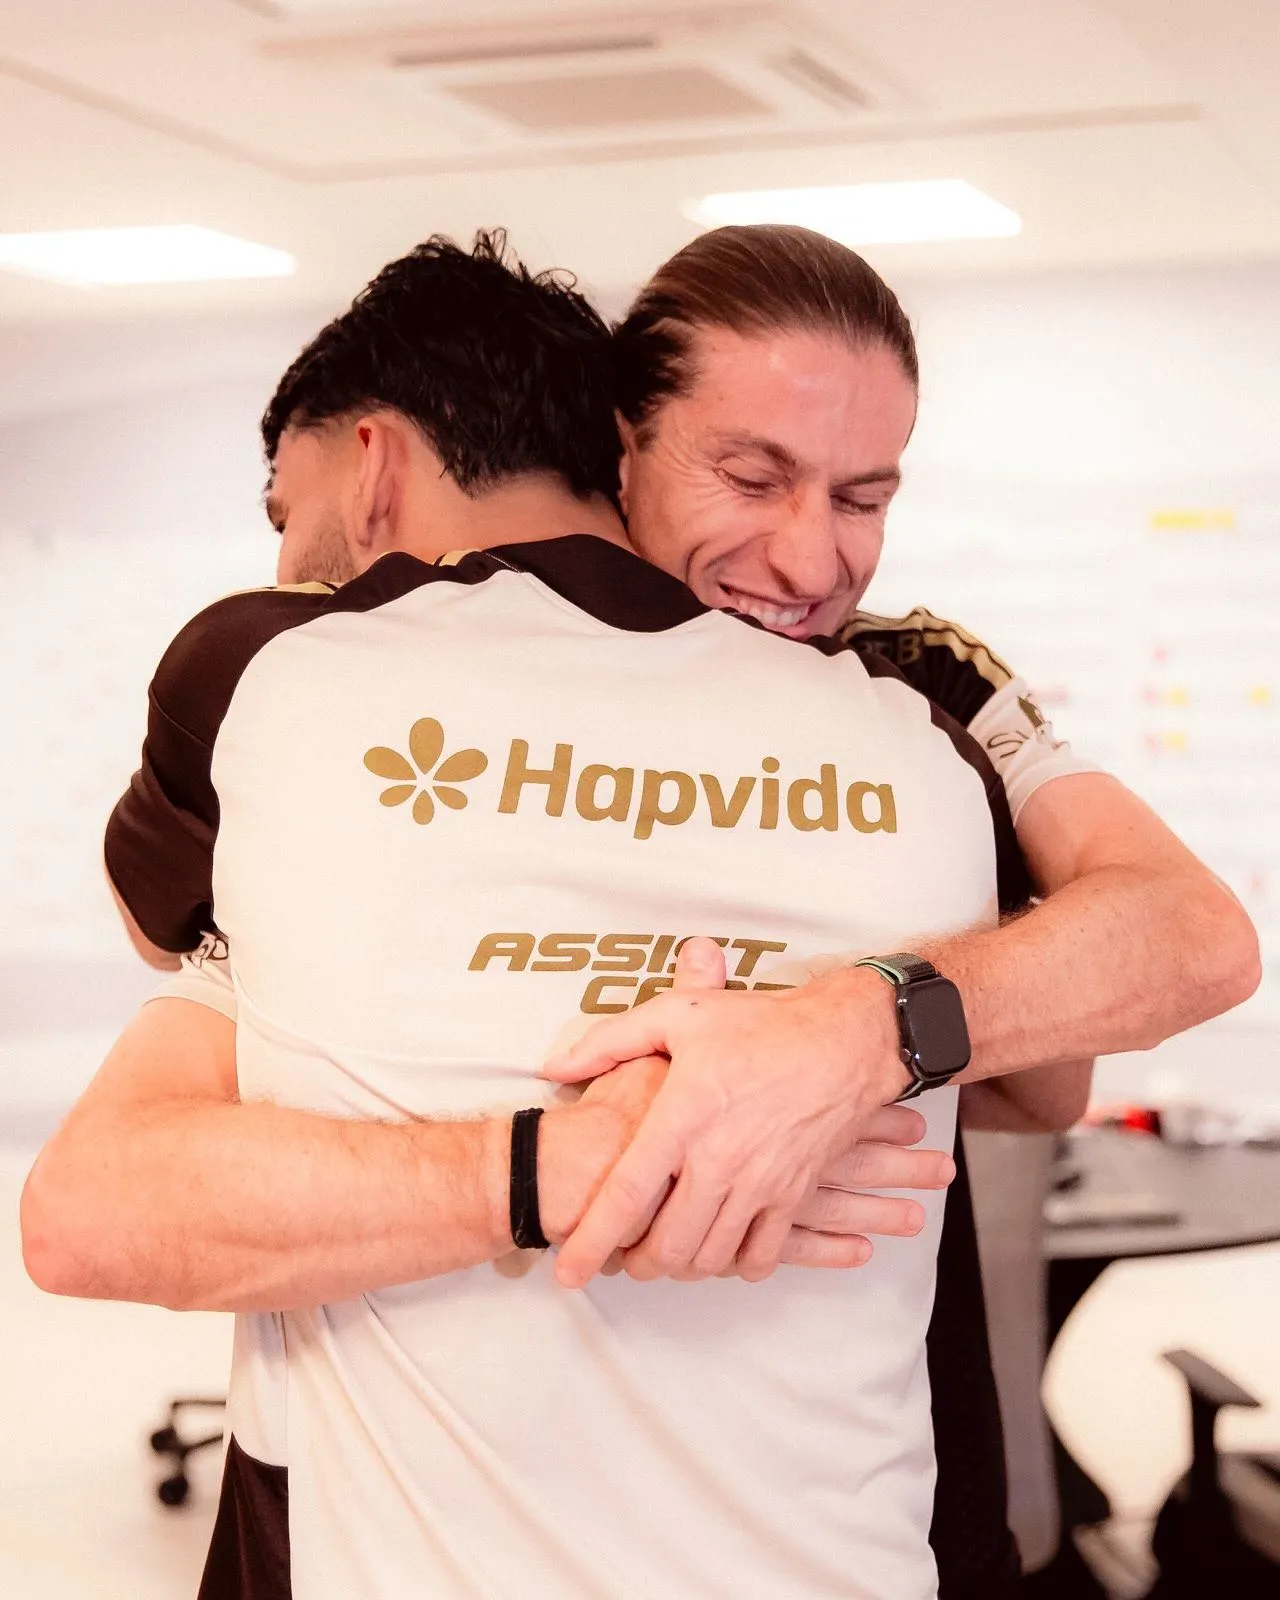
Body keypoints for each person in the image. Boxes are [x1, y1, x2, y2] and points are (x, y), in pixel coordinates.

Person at [21, 230, 1258, 1599]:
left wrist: (844, 1033)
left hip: (857, 1478)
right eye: (751, 476)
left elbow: (1125, 999)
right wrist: (594, 1152)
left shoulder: (920, 696)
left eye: (863, 496)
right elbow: (105, 1180)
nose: (810, 558)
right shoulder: (329, 688)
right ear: (621, 448)